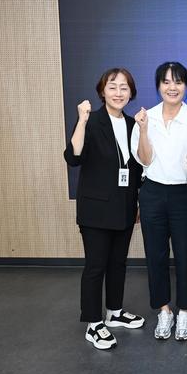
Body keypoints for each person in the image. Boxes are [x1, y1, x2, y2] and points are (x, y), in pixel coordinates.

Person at [64, 68, 145, 350]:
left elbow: (136, 168)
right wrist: (81, 120)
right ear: (102, 91)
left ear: (131, 93)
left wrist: (137, 202)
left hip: (124, 207)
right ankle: (93, 323)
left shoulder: (133, 125)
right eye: (112, 87)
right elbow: (73, 157)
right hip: (95, 210)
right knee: (96, 265)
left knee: (118, 263)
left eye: (124, 87)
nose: (118, 93)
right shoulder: (92, 120)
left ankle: (114, 312)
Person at [131, 62, 187, 341]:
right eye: (166, 82)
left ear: (186, 86)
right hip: (152, 192)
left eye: (178, 82)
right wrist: (144, 130)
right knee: (156, 254)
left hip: (184, 194)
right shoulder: (145, 117)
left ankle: (184, 312)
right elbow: (145, 160)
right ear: (158, 86)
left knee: (186, 254)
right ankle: (164, 311)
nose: (172, 87)